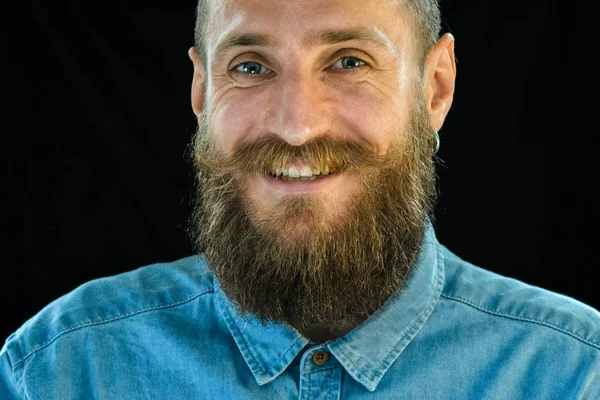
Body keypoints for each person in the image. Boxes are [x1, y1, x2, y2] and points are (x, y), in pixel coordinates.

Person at [2, 0, 599, 398]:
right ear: (202, 90)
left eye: (347, 61)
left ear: (435, 87)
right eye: (252, 66)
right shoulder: (62, 371)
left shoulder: (575, 375)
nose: (296, 127)